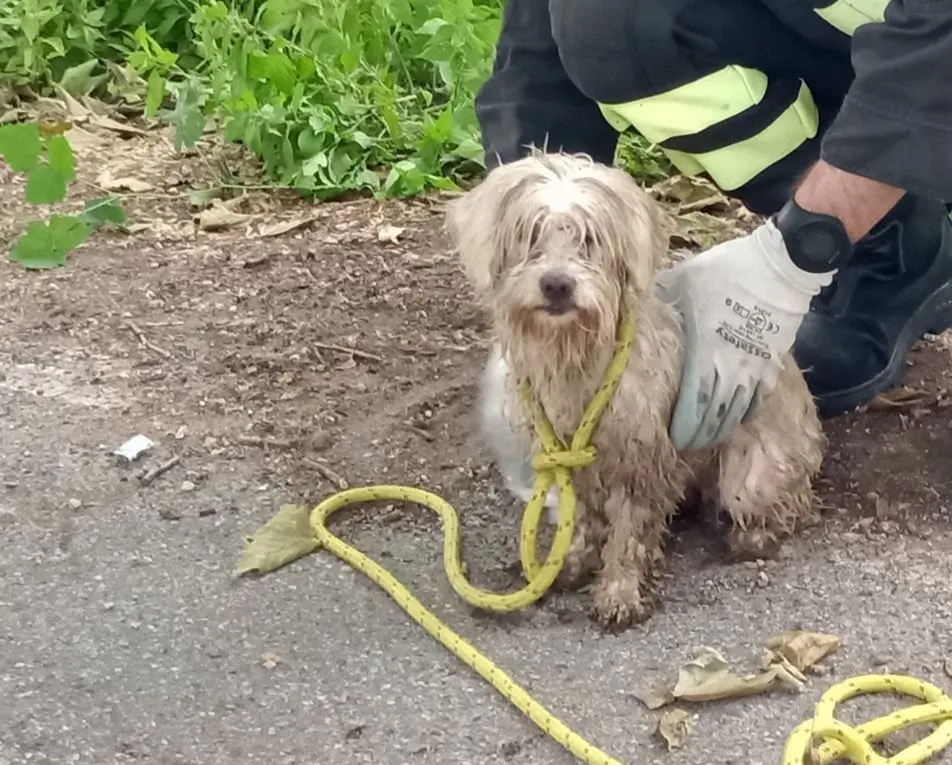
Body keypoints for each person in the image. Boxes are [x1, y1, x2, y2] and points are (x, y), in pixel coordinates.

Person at [473, 0, 952, 451]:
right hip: (863, 42)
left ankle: (848, 225)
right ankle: (889, 234)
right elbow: (535, 46)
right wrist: (529, 221)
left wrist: (799, 252)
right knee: (615, 21)